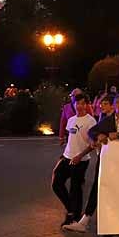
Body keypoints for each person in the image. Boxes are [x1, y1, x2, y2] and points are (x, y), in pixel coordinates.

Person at [64, 93, 119, 237]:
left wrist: (118, 135)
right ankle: (99, 226)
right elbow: (92, 132)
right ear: (116, 105)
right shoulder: (107, 120)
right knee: (100, 190)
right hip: (107, 162)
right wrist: (101, 135)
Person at [51, 94, 96, 229]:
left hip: (81, 160)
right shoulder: (71, 120)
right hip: (66, 156)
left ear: (87, 105)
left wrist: (80, 155)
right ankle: (71, 209)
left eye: (83, 103)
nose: (80, 106)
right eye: (77, 103)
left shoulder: (91, 121)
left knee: (75, 189)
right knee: (56, 183)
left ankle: (74, 217)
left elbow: (93, 144)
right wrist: (64, 143)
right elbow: (70, 135)